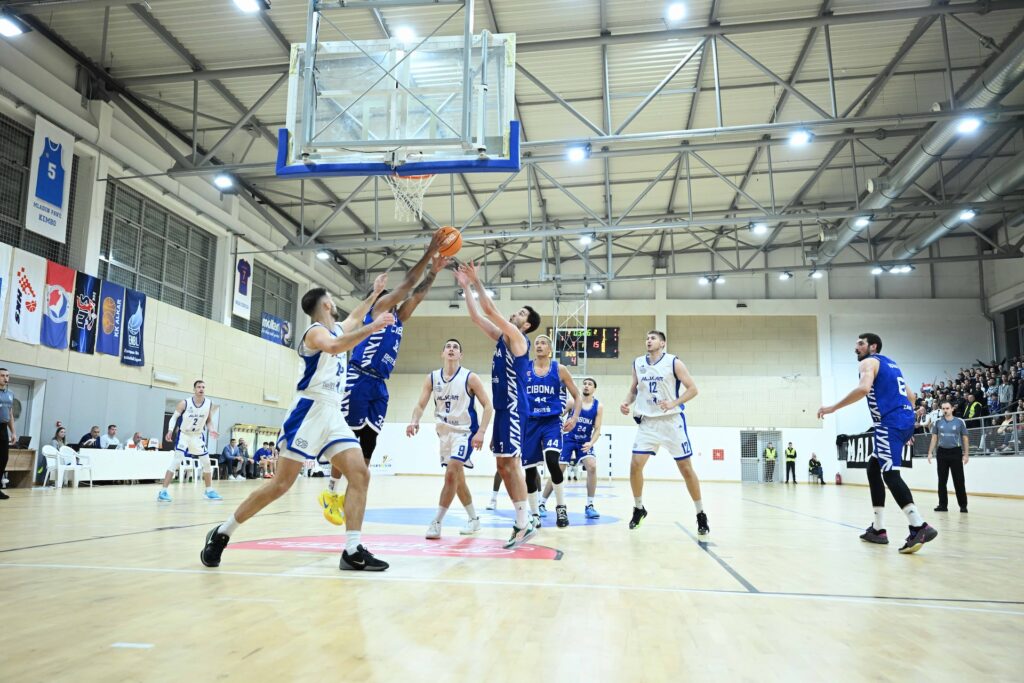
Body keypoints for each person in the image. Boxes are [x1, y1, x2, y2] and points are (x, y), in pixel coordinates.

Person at [201, 287, 395, 572]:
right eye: (331, 299)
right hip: (309, 411)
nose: (335, 303)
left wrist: (374, 294)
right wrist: (373, 327)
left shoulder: (338, 328)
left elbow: (356, 316)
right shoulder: (315, 333)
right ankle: (222, 532)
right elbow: (335, 347)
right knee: (281, 484)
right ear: (326, 304)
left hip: (332, 412)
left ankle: (352, 550)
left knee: (360, 473)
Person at [321, 238, 447, 520]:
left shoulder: (397, 319)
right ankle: (331, 490)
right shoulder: (376, 311)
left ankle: (355, 491)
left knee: (369, 443)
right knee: (347, 438)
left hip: (379, 385)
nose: (393, 301)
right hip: (358, 379)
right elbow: (406, 288)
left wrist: (434, 272)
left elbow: (416, 296)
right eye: (387, 298)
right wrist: (428, 254)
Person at [817, 332, 938, 554]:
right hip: (903, 420)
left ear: (873, 346)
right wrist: (906, 424)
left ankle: (918, 525)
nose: (856, 348)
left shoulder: (868, 362)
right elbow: (911, 397)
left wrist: (833, 408)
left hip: (888, 423)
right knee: (873, 467)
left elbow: (864, 389)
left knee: (890, 474)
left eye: (860, 344)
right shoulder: (891, 364)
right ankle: (878, 529)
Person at [455, 263, 541, 548]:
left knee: (512, 464)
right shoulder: (503, 338)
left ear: (526, 326)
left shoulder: (518, 339)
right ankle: (522, 521)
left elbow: (490, 310)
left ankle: (525, 521)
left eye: (521, 314)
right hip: (504, 409)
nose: (516, 313)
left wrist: (477, 281)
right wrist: (465, 287)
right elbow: (476, 316)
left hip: (515, 407)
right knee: (502, 465)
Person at [620, 331, 709, 536]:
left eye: (653, 338)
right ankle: (639, 508)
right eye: (647, 338)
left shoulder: (674, 362)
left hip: (671, 421)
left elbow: (693, 389)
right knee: (635, 466)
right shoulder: (638, 363)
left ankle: (700, 513)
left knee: (686, 469)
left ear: (663, 343)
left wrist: (673, 403)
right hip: (648, 423)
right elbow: (634, 389)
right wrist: (626, 402)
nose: (648, 340)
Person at [406, 339, 493, 539]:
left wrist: (481, 432)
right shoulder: (432, 378)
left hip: (465, 432)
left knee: (452, 472)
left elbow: (488, 406)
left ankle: (437, 522)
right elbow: (420, 405)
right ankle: (474, 519)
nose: (451, 349)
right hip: (444, 433)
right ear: (442, 353)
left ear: (461, 355)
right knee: (458, 479)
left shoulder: (470, 377)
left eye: (455, 347)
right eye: (448, 347)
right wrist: (414, 420)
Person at [516, 334, 581, 529]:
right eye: (536, 343)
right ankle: (535, 514)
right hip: (530, 423)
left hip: (552, 421)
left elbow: (577, 396)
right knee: (530, 472)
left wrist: (574, 418)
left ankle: (561, 507)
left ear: (550, 349)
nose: (539, 345)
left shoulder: (559, 369)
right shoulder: (525, 368)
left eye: (543, 343)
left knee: (553, 461)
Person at [541, 376, 603, 519]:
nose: (586, 386)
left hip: (584, 441)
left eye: (590, 384)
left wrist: (591, 443)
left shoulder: (598, 406)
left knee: (592, 466)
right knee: (558, 470)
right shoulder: (572, 402)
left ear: (594, 389)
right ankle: (541, 503)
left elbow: (598, 429)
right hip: (568, 439)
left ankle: (590, 505)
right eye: (585, 383)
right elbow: (558, 416)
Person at [158, 380, 221, 502]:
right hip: (184, 435)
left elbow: (208, 420)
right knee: (176, 462)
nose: (201, 389)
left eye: (203, 387)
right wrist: (170, 430)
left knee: (207, 462)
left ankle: (209, 491)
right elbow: (174, 418)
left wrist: (212, 429)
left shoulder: (209, 403)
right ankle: (163, 492)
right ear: (194, 389)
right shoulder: (184, 403)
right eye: (199, 387)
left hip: (197, 436)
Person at [926, 401, 970, 513]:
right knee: (942, 481)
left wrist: (966, 454)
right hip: (942, 453)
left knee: (959, 480)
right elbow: (934, 438)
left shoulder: (959, 422)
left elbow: (965, 438)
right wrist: (930, 452)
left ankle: (963, 505)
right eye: (943, 408)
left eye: (947, 408)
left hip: (955, 452)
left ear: (952, 409)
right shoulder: (937, 422)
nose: (945, 410)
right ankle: (942, 505)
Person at [0, 368, 15, 500]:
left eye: (7, 376)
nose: (5, 378)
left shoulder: (10, 394)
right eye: (2, 376)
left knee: (3, 459)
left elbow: (10, 414)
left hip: (3, 429)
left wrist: (13, 432)